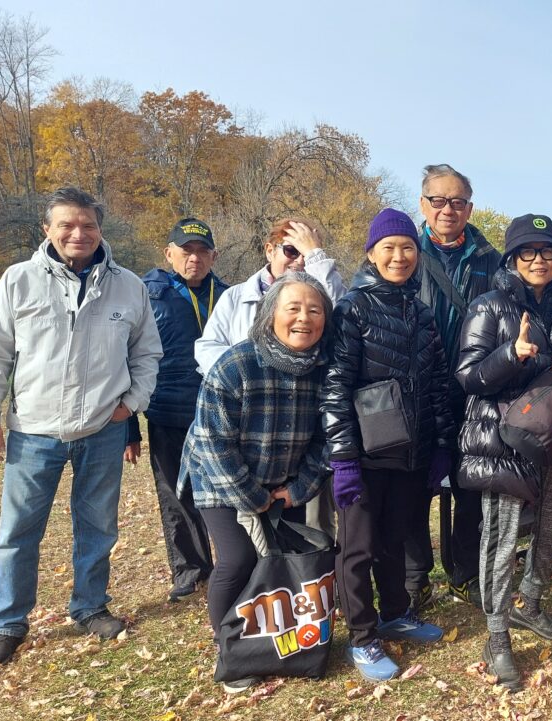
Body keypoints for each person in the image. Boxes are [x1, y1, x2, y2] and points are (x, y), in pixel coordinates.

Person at [0, 187, 163, 669]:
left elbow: (147, 353)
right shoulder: (19, 281)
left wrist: (130, 405)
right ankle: (6, 623)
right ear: (48, 230)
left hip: (102, 428)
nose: (78, 233)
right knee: (18, 531)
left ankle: (90, 607)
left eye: (88, 225)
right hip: (34, 430)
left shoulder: (128, 286)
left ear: (100, 230)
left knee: (97, 526)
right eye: (67, 225)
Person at [455, 213, 552, 691]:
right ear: (512, 258)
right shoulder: (489, 306)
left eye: (548, 252)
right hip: (506, 440)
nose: (539, 260)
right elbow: (467, 375)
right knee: (501, 538)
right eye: (529, 252)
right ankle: (497, 633)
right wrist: (512, 355)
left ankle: (530, 603)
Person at [181, 273, 332, 693]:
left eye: (314, 310)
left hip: (285, 479)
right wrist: (251, 496)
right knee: (238, 558)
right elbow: (213, 440)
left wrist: (298, 488)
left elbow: (327, 440)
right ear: (270, 315)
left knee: (286, 560)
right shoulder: (235, 364)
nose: (304, 318)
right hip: (220, 477)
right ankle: (230, 647)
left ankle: (275, 636)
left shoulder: (325, 371)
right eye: (293, 309)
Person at [321, 208, 455, 681]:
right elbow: (335, 386)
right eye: (389, 248)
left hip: (411, 450)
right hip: (365, 452)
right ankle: (362, 636)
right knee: (357, 548)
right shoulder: (352, 309)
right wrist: (343, 459)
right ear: (371, 254)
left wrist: (439, 445)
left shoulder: (420, 312)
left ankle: (396, 612)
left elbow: (437, 382)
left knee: (397, 537)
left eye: (407, 248)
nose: (399, 257)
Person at [195, 216, 345, 538]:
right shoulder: (236, 297)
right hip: (240, 430)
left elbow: (340, 315)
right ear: (270, 250)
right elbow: (207, 347)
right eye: (292, 250)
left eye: (308, 252)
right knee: (240, 559)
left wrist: (318, 259)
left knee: (303, 543)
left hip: (292, 448)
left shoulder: (318, 298)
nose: (299, 260)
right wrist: (247, 373)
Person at [406, 164, 501, 610]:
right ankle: (414, 576)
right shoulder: (402, 253)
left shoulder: (490, 259)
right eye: (439, 201)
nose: (449, 209)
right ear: (423, 205)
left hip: (472, 388)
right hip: (416, 387)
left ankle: (464, 574)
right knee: (412, 486)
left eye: (458, 201)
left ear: (470, 207)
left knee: (470, 485)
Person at [125, 218, 229, 602]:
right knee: (175, 495)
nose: (195, 259)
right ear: (169, 253)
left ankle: (238, 562)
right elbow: (128, 359)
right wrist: (129, 429)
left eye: (203, 252)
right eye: (186, 251)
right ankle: (191, 569)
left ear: (214, 256)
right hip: (168, 411)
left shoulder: (229, 294)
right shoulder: (146, 295)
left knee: (226, 490)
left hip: (221, 414)